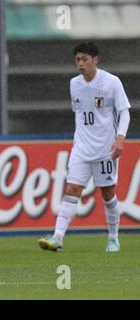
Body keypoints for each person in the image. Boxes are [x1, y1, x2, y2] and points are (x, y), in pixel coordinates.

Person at [39, 42, 131, 252]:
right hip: (81, 148)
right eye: (77, 60)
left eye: (85, 59)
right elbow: (80, 114)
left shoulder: (111, 82)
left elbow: (124, 111)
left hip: (105, 149)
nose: (80, 64)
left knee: (107, 194)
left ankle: (113, 238)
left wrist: (120, 138)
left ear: (95, 60)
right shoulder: (74, 84)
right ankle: (58, 238)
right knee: (71, 190)